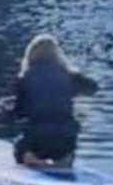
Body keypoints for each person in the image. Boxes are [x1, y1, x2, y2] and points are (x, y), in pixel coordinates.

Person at [11, 34, 99, 168]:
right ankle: (64, 158)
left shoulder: (25, 79)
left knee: (19, 145)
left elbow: (19, 112)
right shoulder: (70, 76)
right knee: (68, 133)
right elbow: (92, 88)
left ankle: (31, 157)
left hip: (37, 140)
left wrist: (5, 109)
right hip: (64, 140)